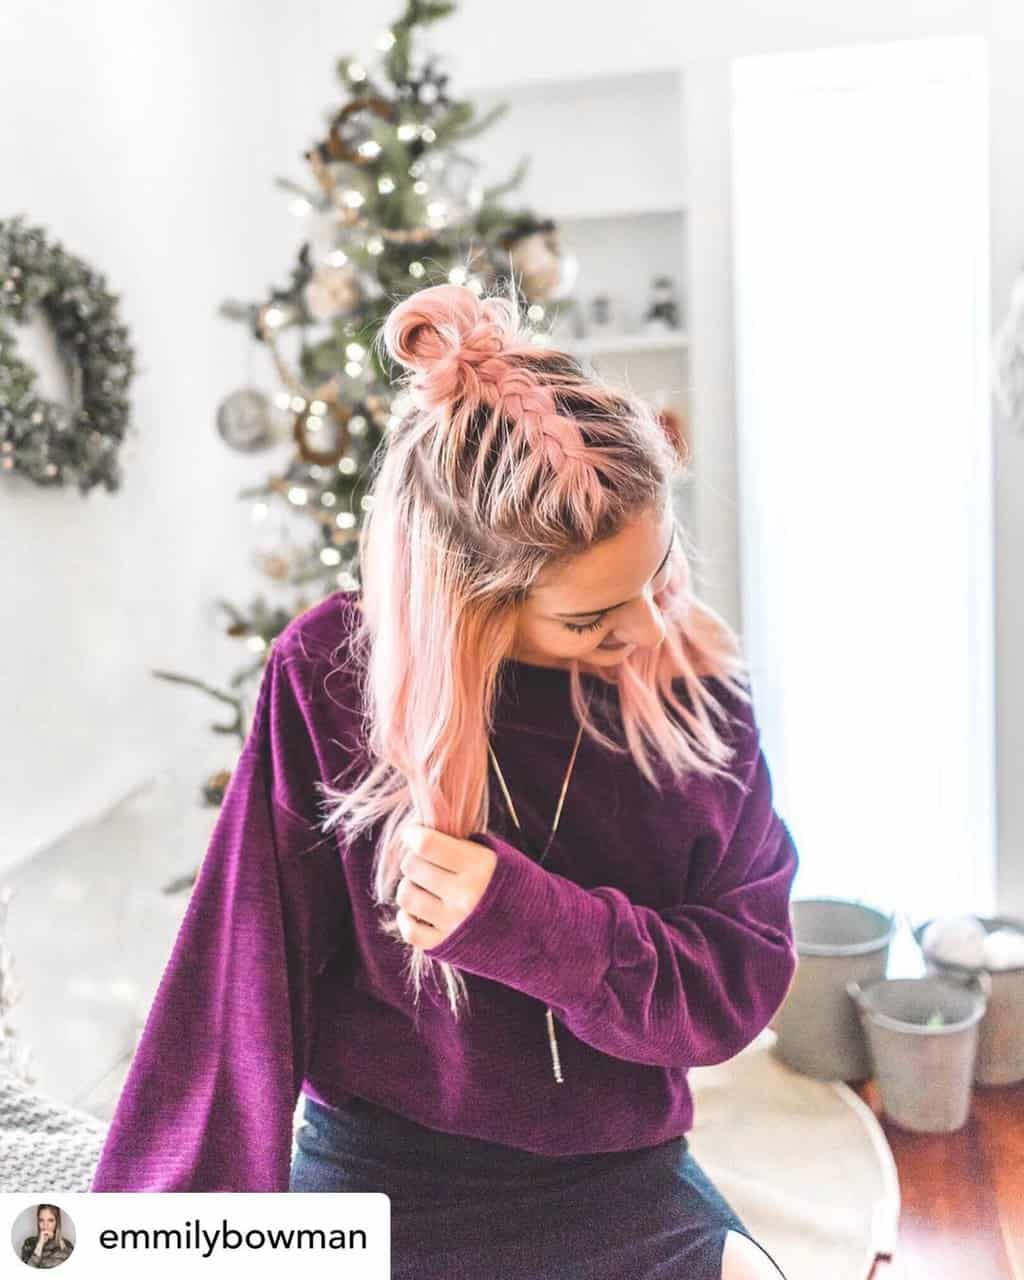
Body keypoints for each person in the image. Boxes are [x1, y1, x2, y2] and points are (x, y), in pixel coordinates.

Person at [90, 281, 799, 1279]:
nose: (647, 628)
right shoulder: (329, 676)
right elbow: (239, 990)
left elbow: (740, 981)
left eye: (657, 574)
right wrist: (154, 1249)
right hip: (382, 1175)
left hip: (619, 1174)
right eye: (591, 618)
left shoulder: (696, 693)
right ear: (469, 604)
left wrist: (532, 926)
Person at [20, 1204, 73, 1269]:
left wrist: (60, 1242)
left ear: (57, 1222)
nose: (45, 1225)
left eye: (50, 1220)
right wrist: (40, 1244)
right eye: (41, 1220)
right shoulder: (29, 1243)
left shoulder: (67, 1245)